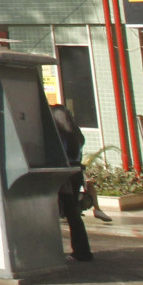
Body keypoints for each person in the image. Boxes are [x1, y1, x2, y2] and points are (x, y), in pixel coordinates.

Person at [52, 101, 95, 261]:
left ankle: (62, 251)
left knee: (59, 211)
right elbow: (80, 144)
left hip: (63, 173)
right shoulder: (74, 133)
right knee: (73, 213)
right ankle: (82, 251)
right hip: (75, 171)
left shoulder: (57, 132)